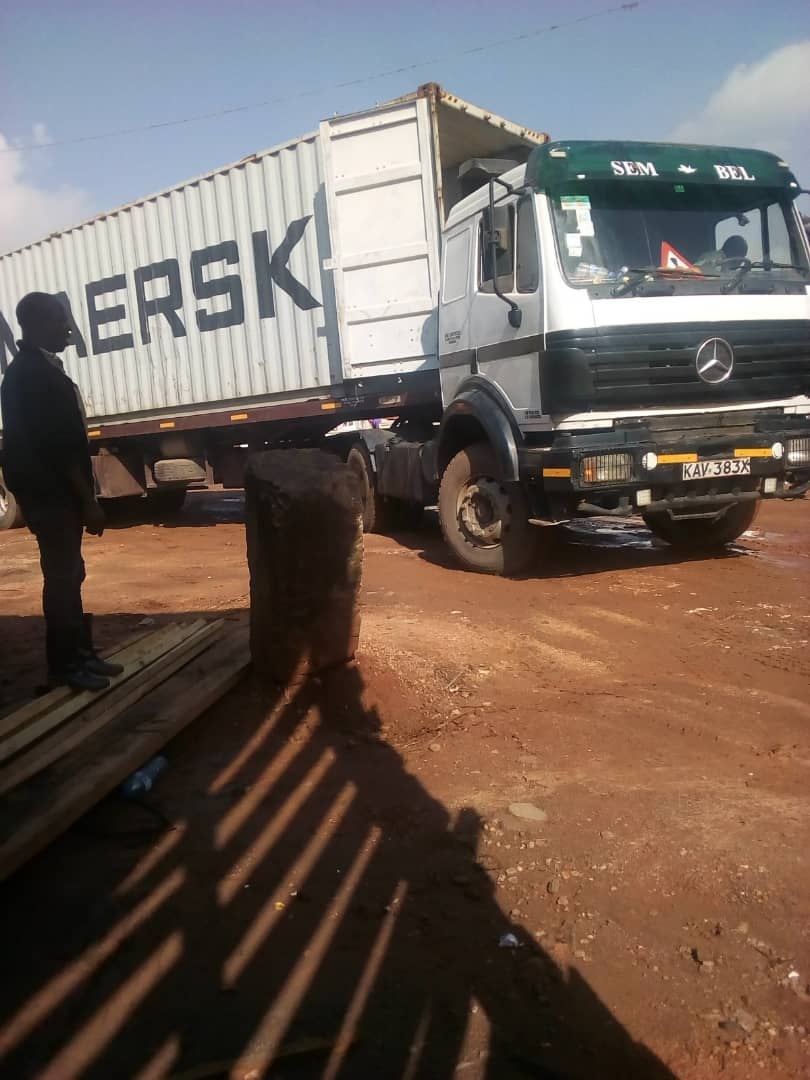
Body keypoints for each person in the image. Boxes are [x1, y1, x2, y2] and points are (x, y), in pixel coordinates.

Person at [0, 292, 123, 691]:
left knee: (72, 573)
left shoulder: (37, 369)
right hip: (51, 496)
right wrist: (88, 502)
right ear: (35, 324)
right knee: (63, 578)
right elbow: (58, 447)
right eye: (58, 319)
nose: (68, 326)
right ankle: (65, 666)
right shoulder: (32, 374)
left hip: (52, 494)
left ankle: (81, 655)